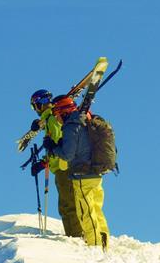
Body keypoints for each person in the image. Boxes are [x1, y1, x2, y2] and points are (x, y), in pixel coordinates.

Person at [41, 94, 109, 249]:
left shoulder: (71, 125)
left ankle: (95, 246)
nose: (57, 119)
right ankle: (104, 244)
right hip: (96, 172)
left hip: (82, 175)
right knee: (96, 210)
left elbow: (67, 154)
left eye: (57, 115)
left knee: (86, 212)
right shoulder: (85, 120)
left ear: (61, 112)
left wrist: (52, 147)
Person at [29, 89, 82, 239]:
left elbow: (59, 143)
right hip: (61, 165)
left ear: (39, 104)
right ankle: (75, 234)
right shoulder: (49, 118)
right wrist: (44, 163)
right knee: (67, 204)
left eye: (35, 106)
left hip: (64, 166)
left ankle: (76, 236)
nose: (35, 110)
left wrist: (46, 161)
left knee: (68, 204)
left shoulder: (53, 118)